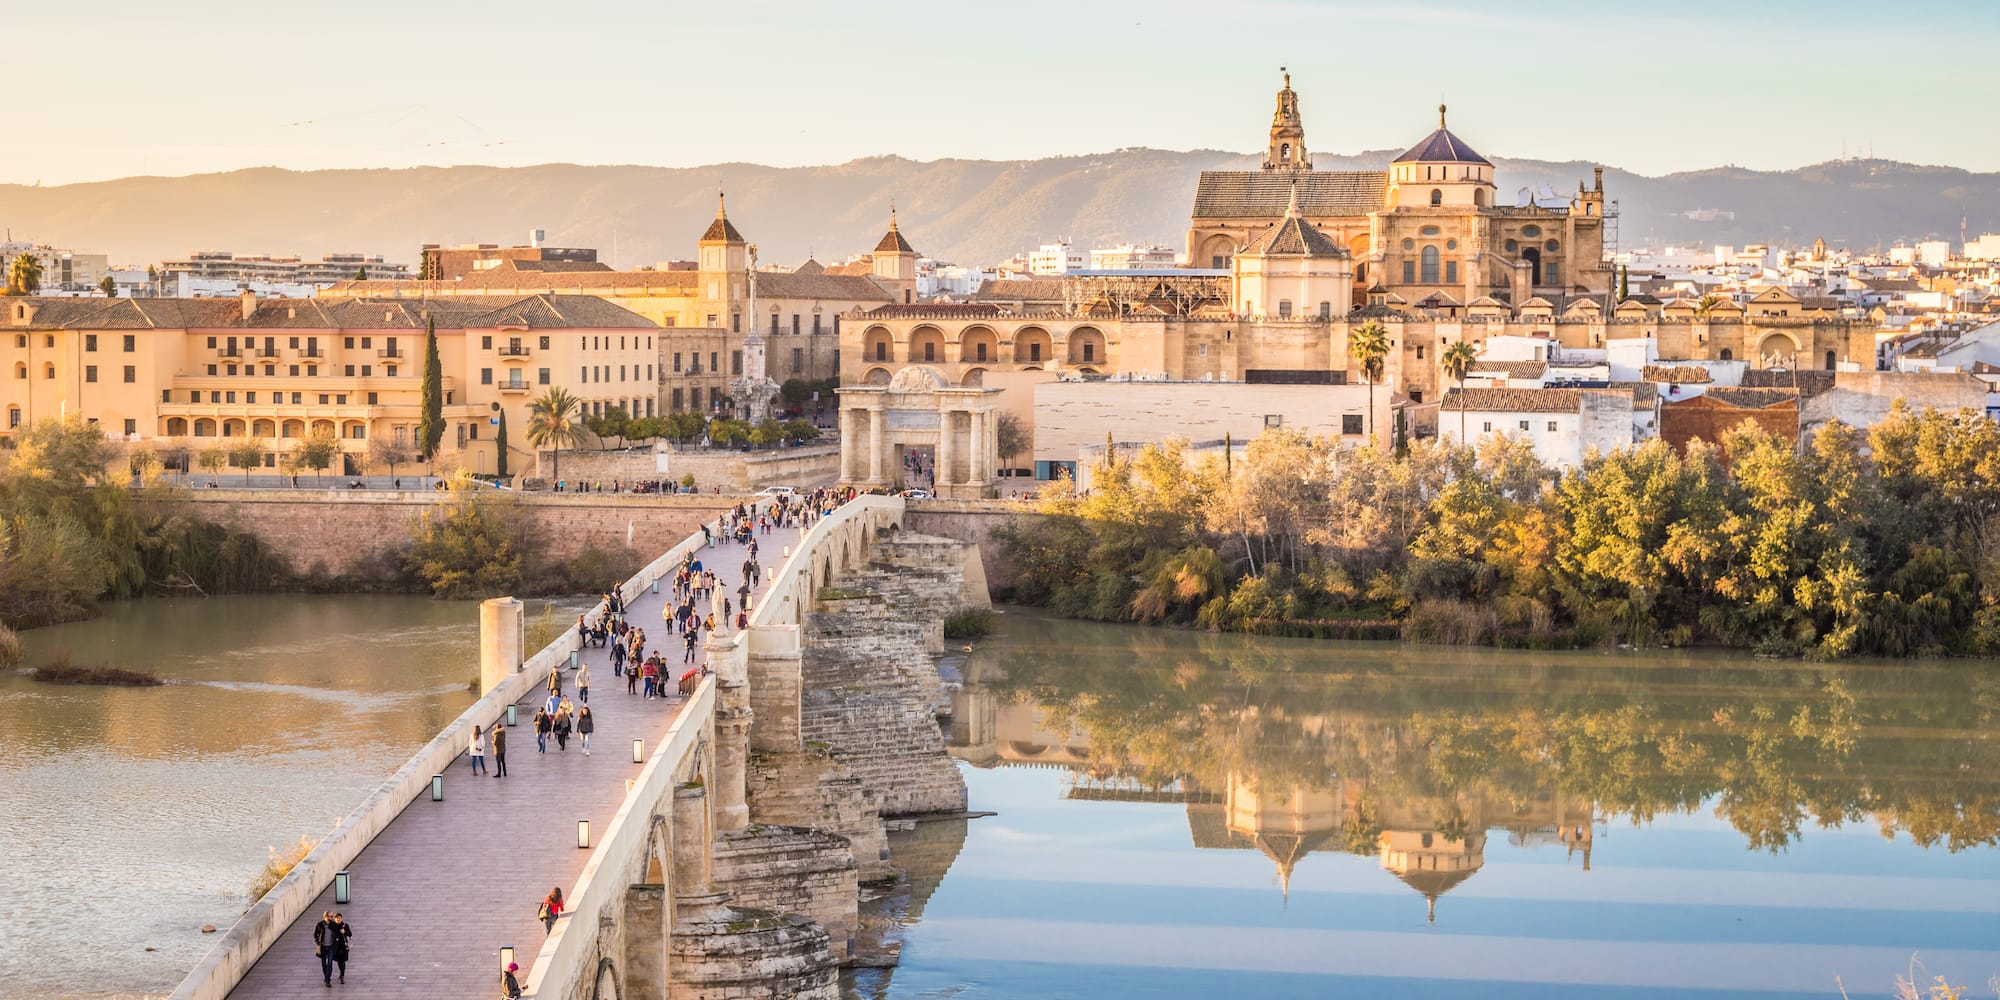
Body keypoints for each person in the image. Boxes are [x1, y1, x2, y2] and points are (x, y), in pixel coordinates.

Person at [313, 911, 340, 987]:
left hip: (331, 947)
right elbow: (315, 934)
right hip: (323, 947)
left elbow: (337, 934)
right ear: (325, 917)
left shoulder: (334, 925)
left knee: (330, 964)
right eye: (330, 916)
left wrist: (336, 941)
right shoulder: (320, 925)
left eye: (332, 916)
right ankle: (326, 976)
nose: (331, 918)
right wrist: (318, 942)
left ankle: (328, 979)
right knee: (323, 964)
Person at [328, 912, 352, 985]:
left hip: (343, 946)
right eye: (337, 918)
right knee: (339, 961)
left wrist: (344, 932)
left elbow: (350, 934)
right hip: (336, 947)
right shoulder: (333, 926)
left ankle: (342, 975)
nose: (338, 920)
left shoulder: (345, 925)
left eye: (339, 918)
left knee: (342, 961)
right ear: (335, 919)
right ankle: (341, 974)